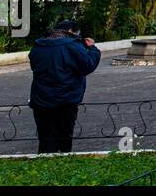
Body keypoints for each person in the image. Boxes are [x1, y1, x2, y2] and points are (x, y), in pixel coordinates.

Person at [28, 19, 101, 153]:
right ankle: (62, 163)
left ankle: (44, 163)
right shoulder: (73, 45)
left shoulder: (38, 46)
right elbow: (87, 66)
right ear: (70, 31)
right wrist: (92, 49)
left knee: (45, 138)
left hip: (41, 100)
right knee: (64, 137)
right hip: (66, 99)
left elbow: (34, 66)